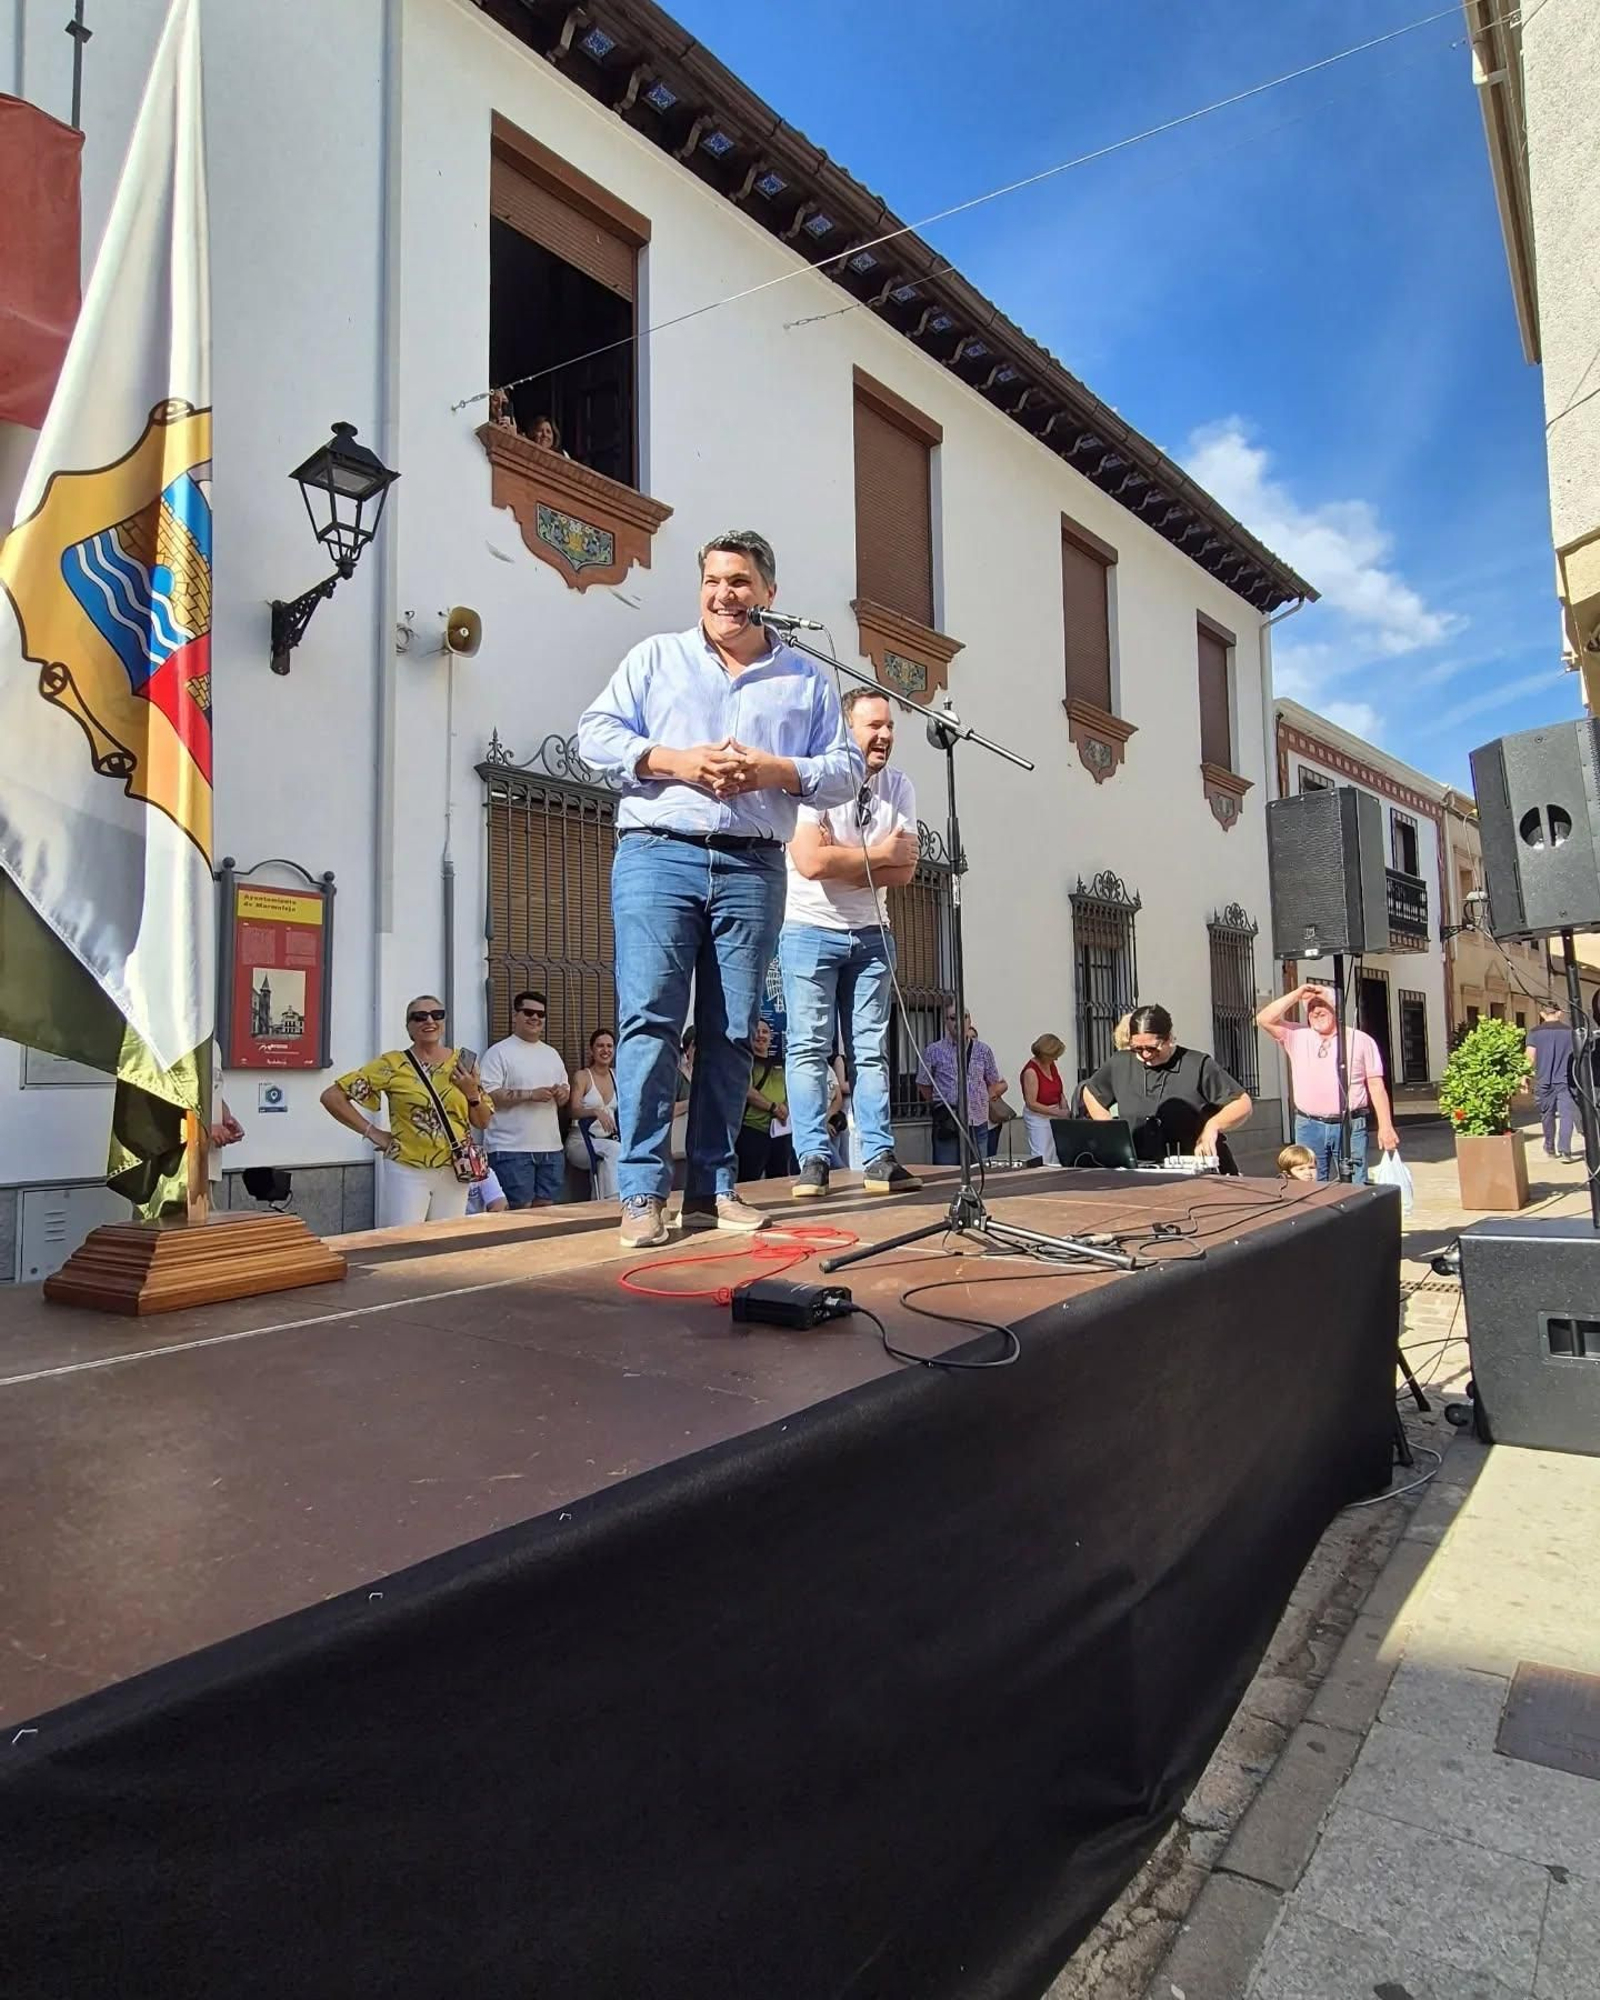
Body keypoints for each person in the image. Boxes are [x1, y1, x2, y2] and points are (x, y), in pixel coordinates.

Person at [577, 529, 861, 1247]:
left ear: (769, 592)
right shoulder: (655, 658)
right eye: (712, 579)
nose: (723, 594)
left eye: (738, 582)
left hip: (752, 863)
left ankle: (711, 1187)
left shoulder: (804, 679)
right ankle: (642, 1190)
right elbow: (593, 736)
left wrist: (774, 770)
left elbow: (846, 770)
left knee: (735, 1029)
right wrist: (674, 761)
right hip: (657, 854)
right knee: (649, 1022)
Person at [781, 686, 922, 1200]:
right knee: (809, 1049)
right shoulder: (815, 779)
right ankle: (814, 1158)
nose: (884, 736)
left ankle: (879, 1155)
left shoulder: (900, 786)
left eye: (890, 727)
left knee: (870, 1052)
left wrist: (855, 857)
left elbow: (905, 871)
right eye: (874, 727)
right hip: (809, 930)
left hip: (872, 935)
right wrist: (878, 854)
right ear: (847, 730)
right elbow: (810, 863)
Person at [320, 994, 493, 1224]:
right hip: (408, 1167)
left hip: (455, 1168)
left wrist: (472, 1093)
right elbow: (332, 1097)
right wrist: (373, 1133)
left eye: (436, 1015)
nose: (429, 1021)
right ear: (409, 1027)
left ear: (444, 1022)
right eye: (419, 1017)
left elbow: (483, 1122)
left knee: (447, 1239)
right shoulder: (392, 1065)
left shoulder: (462, 1063)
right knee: (406, 1239)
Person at [1255, 982, 1400, 1184]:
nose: (1317, 1011)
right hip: (1309, 1125)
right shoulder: (1297, 1035)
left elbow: (1376, 1086)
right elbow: (1263, 1018)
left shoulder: (1361, 1040)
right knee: (1309, 1187)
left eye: (1323, 1004)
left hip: (1350, 1124)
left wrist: (1386, 1126)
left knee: (1354, 1186)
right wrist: (1297, 994)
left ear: (1336, 1009)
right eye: (1312, 1007)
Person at [1082, 1003, 1252, 1167]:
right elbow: (1091, 1092)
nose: (1146, 1055)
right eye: (1138, 1049)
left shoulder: (1198, 1064)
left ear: (1169, 1038)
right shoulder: (1120, 1063)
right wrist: (1111, 1130)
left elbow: (1242, 1103)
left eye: (1153, 1048)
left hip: (1194, 1167)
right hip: (1140, 1168)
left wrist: (1212, 1127)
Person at [479, 990, 571, 1208]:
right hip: (510, 1149)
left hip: (551, 1148)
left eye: (541, 1014)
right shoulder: (498, 1052)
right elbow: (487, 1096)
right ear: (515, 1015)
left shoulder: (551, 1054)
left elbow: (565, 1092)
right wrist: (530, 1095)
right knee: (519, 1212)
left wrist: (562, 1094)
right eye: (528, 1012)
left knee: (547, 1209)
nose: (535, 1018)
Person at [917, 1003, 1006, 1166]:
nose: (958, 1022)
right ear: (945, 1021)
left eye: (963, 1017)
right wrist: (942, 1102)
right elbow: (924, 1085)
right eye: (953, 1018)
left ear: (970, 1020)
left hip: (977, 1121)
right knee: (946, 1172)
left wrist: (979, 1098)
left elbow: (994, 1081)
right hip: (947, 1121)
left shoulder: (983, 1050)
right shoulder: (933, 1051)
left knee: (978, 1170)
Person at [566, 1028, 621, 1197]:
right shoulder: (582, 1076)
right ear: (592, 1049)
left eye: (609, 1046)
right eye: (600, 1046)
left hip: (607, 1142)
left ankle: (599, 1205)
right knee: (614, 1150)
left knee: (608, 1160)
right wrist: (595, 1111)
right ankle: (613, 1202)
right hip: (580, 1142)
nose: (605, 1050)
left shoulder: (617, 1075)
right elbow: (572, 1111)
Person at [1525, 999, 1580, 1161]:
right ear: (1559, 1013)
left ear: (1542, 1014)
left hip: (1543, 1080)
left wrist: (1524, 1077)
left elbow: (1529, 1057)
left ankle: (1549, 1147)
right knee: (1566, 1115)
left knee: (1547, 1114)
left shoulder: (1534, 1032)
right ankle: (1565, 1150)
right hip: (1566, 1080)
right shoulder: (1570, 1032)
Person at [737, 1017, 790, 1182]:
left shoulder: (783, 1064)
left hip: (781, 1131)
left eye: (765, 1031)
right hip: (752, 1130)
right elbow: (747, 1090)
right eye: (757, 1031)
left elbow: (791, 1090)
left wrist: (786, 1109)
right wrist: (773, 1107)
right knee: (748, 1181)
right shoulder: (744, 1062)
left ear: (771, 1037)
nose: (761, 1035)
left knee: (780, 1181)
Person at [1020, 1033, 1067, 1164]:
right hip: (1038, 1118)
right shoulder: (1031, 1071)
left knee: (1056, 1155)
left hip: (1055, 1114)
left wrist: (1065, 1108)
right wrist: (1058, 1112)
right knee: (1043, 1154)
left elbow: (1059, 1090)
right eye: (1054, 1056)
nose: (1056, 1059)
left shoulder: (1051, 1065)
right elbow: (1031, 1103)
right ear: (1047, 1054)